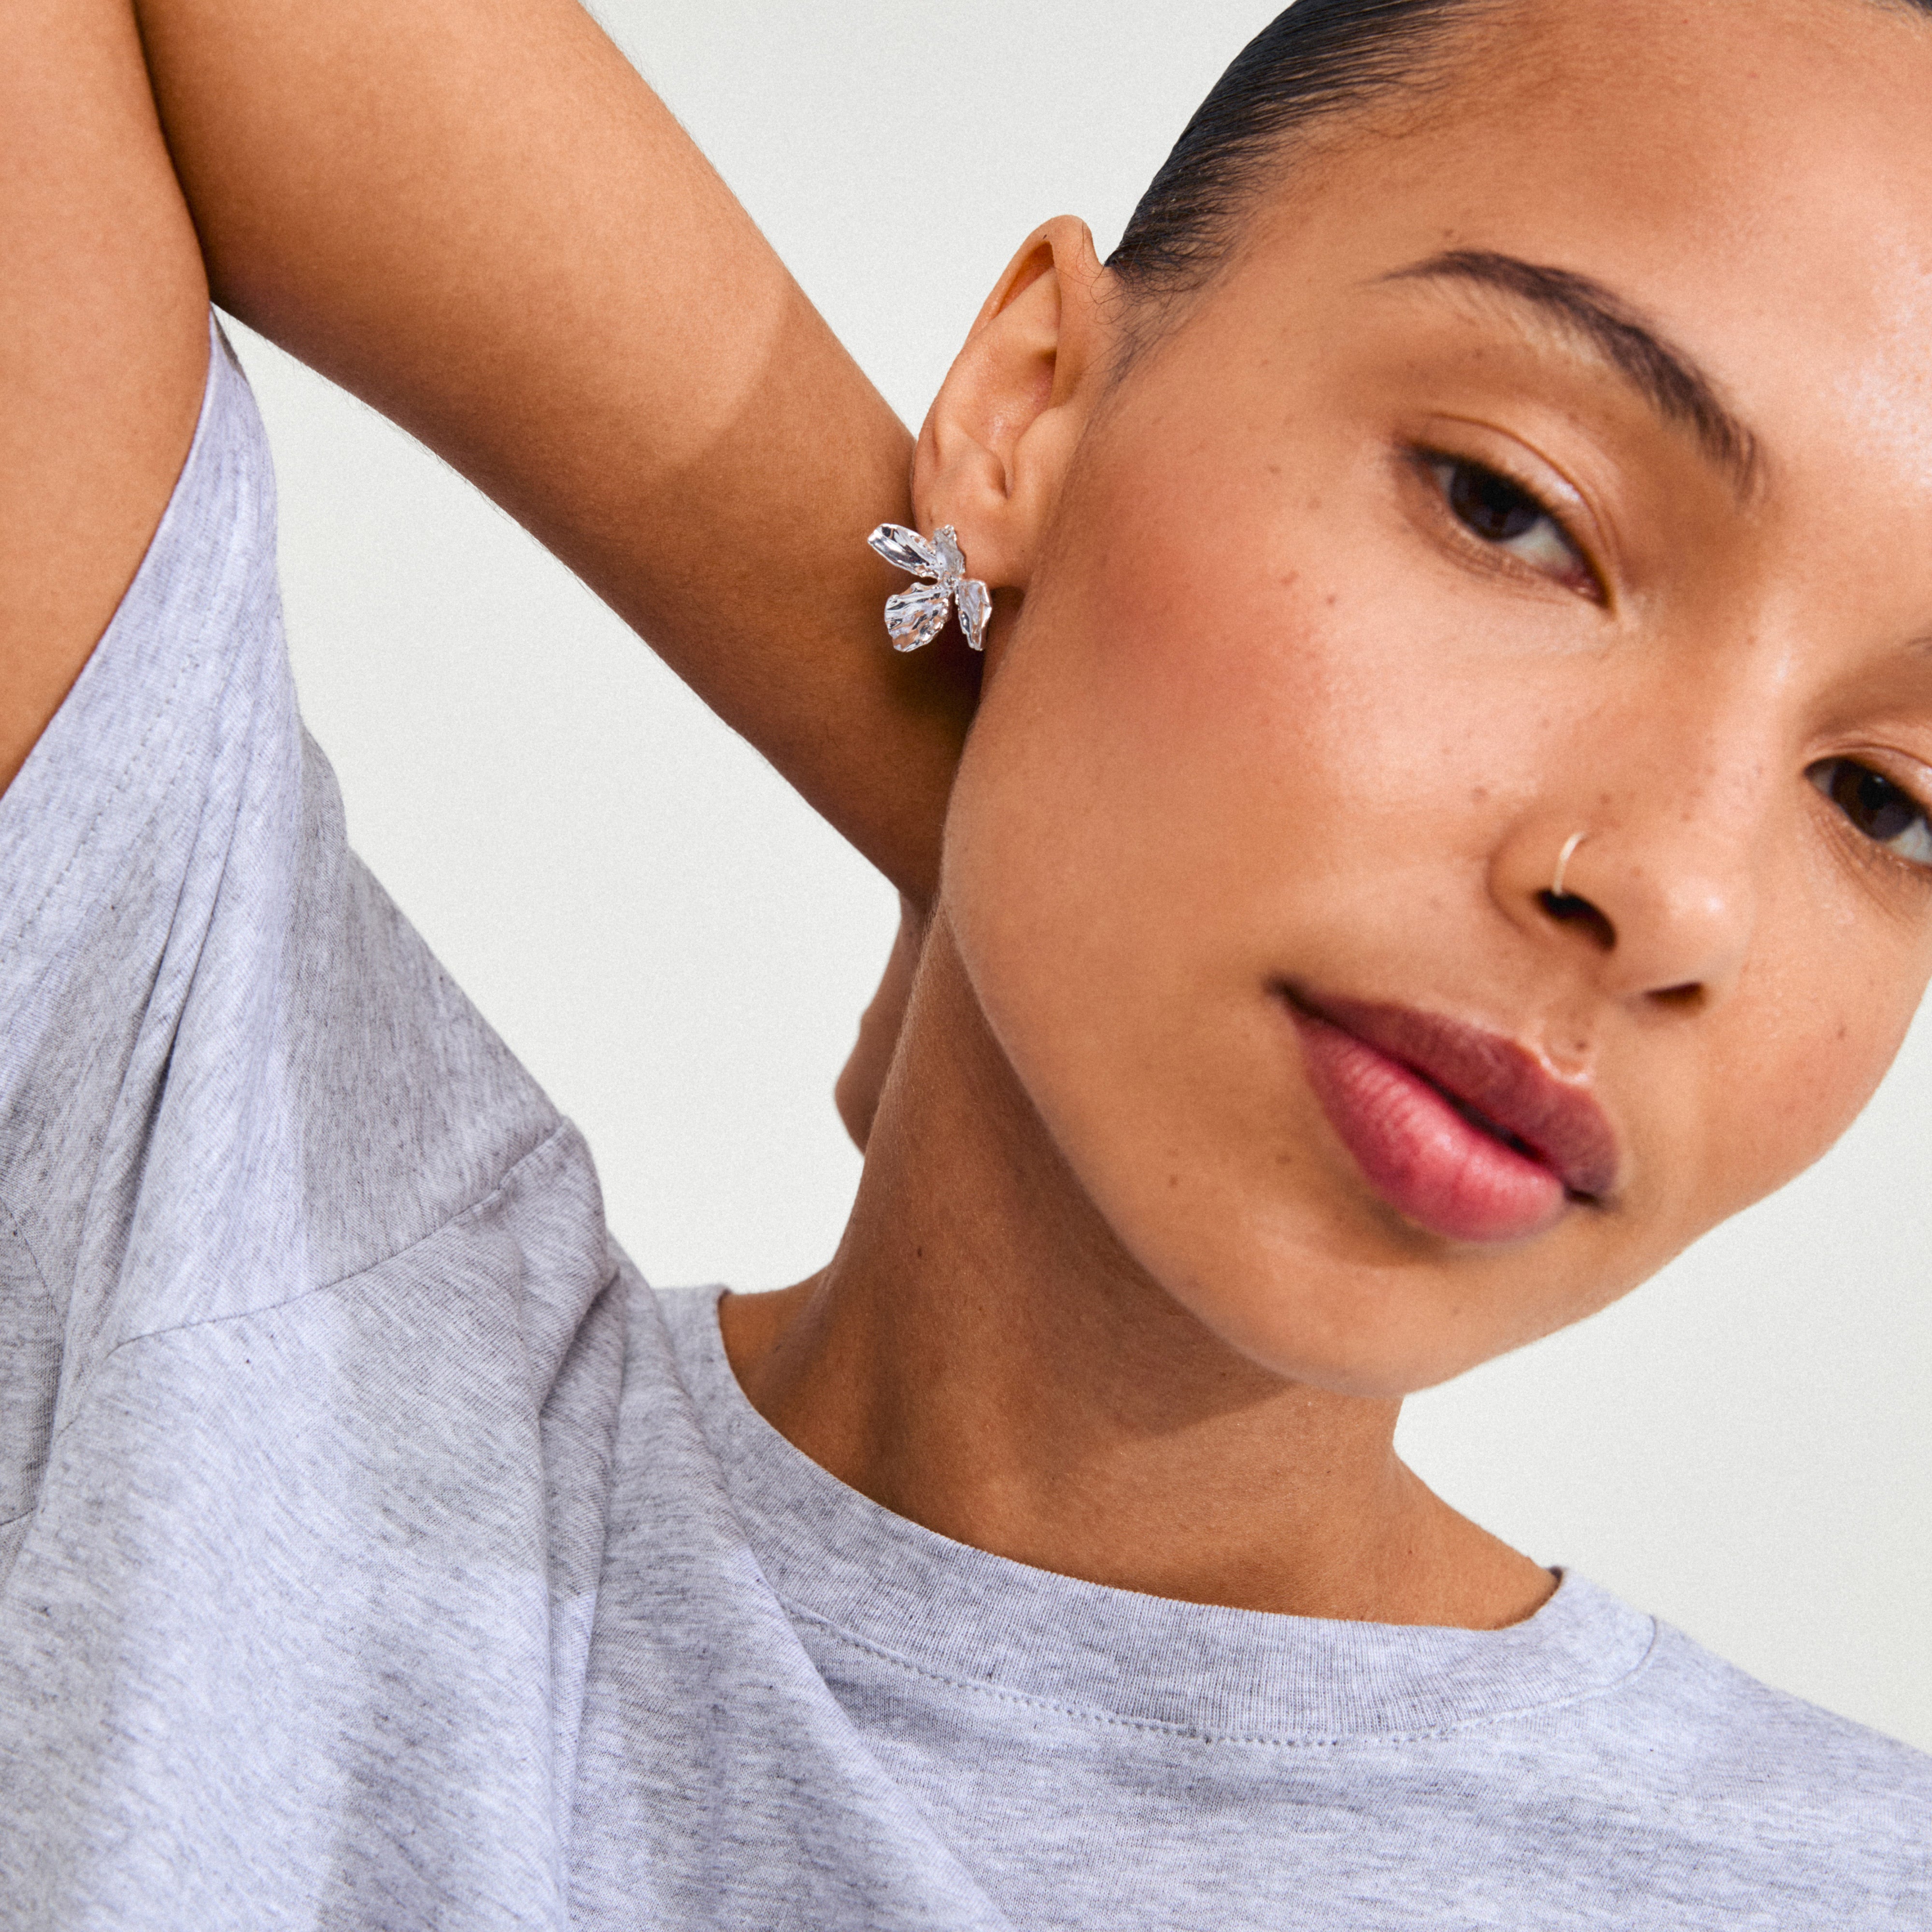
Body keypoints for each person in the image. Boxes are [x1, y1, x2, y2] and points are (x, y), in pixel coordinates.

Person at [6, 2, 1932, 1930]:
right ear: (1026, 395)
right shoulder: (209, 1317)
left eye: (1887, 802)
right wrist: (932, 720)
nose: (1681, 897)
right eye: (1511, 507)